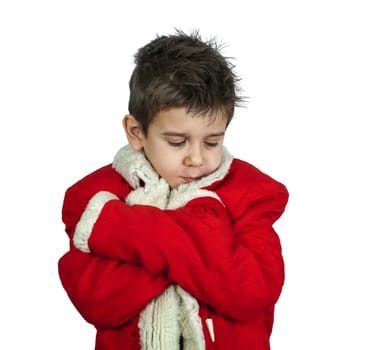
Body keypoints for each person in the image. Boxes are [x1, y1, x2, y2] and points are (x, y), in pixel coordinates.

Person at [58, 30, 289, 350]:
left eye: (212, 141)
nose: (196, 159)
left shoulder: (251, 193)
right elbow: (95, 300)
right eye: (177, 142)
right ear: (136, 132)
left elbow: (251, 292)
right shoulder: (93, 196)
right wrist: (203, 253)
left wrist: (123, 229)